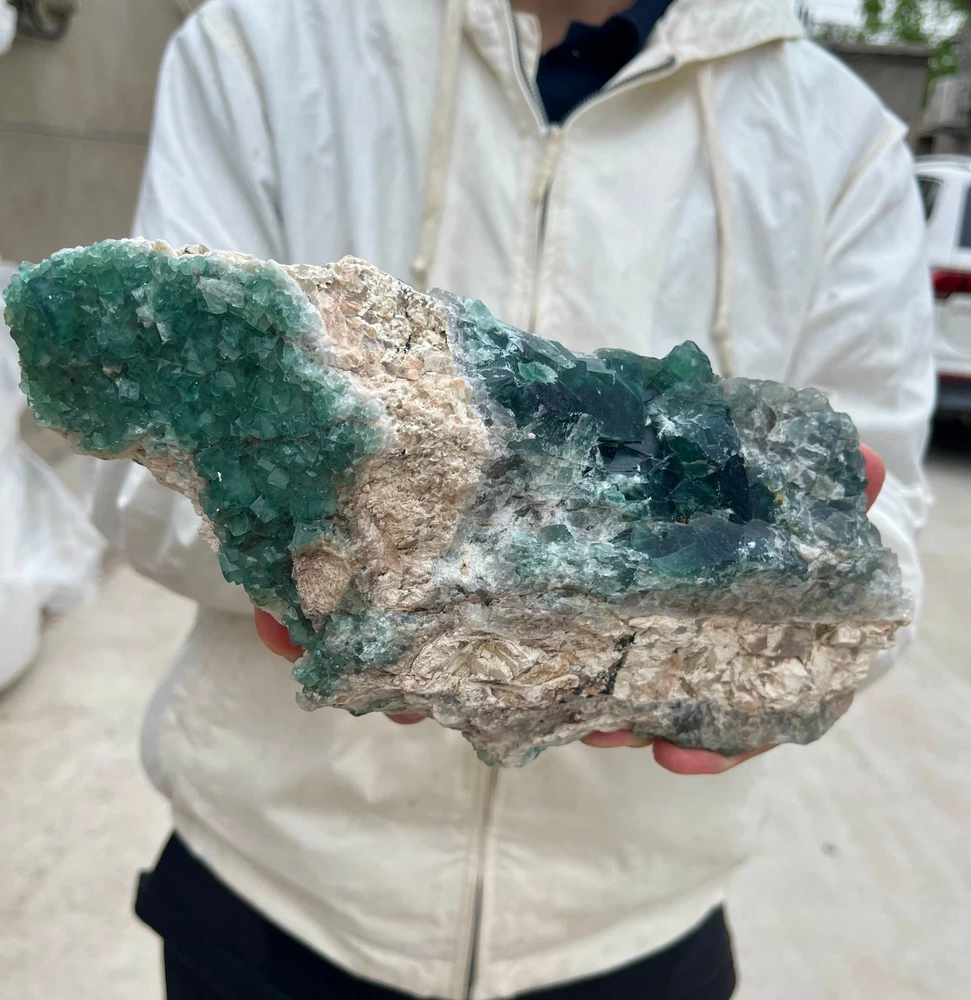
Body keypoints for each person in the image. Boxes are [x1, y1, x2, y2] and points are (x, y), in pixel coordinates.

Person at [86, 1, 934, 997]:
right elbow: (133, 475)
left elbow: (882, 542)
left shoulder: (839, 139)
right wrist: (329, 542)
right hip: (281, 885)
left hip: (628, 916)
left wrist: (775, 628)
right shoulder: (264, 42)